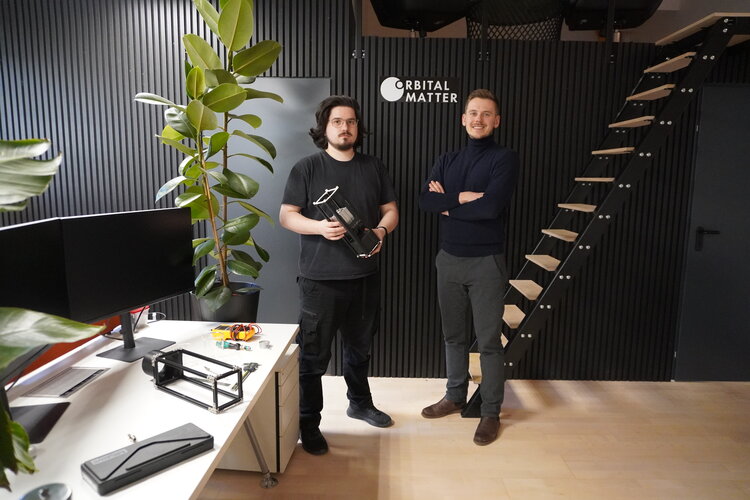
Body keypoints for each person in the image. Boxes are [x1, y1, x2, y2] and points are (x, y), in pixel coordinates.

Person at [280, 95, 399, 455]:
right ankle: (308, 424)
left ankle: (359, 403)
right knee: (313, 358)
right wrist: (319, 228)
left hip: (365, 276)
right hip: (320, 281)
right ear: (324, 127)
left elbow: (391, 210)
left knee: (359, 348)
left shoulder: (374, 167)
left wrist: (380, 232)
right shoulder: (307, 168)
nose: (344, 127)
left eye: (350, 121)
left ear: (357, 128)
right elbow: (287, 215)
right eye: (337, 121)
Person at [418, 89, 519, 446]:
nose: (478, 119)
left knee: (489, 341)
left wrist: (448, 203)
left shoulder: (504, 159)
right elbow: (425, 201)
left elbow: (491, 209)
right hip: (448, 258)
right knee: (453, 336)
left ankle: (490, 411)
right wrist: (461, 198)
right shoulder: (446, 159)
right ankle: (455, 395)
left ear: (496, 121)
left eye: (486, 114)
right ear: (463, 119)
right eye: (473, 113)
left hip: (486, 262)